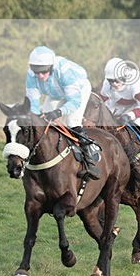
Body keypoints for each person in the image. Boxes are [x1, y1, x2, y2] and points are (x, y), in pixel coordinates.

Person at [26, 46, 100, 179]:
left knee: (72, 122)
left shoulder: (64, 71)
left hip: (78, 91)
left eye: (43, 72)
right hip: (55, 93)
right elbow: (33, 102)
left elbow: (74, 101)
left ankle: (90, 161)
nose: (40, 76)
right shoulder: (31, 75)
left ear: (51, 67)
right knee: (44, 123)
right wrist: (37, 114)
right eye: (36, 72)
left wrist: (57, 112)